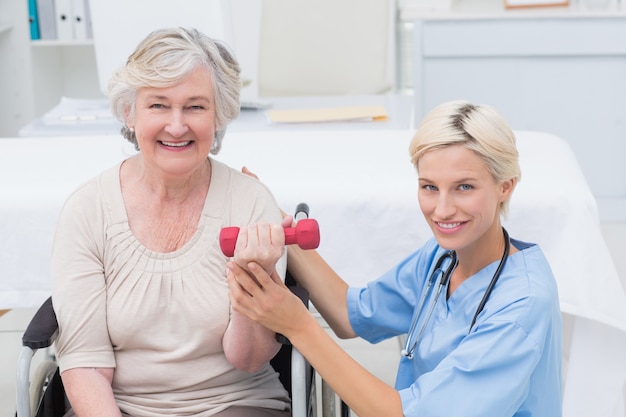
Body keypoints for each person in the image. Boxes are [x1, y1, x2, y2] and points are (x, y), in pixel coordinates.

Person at [227, 100, 563, 416]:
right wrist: (276, 219)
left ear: (505, 186)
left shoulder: (521, 305)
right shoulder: (444, 257)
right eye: (429, 187)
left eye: (464, 187)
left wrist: (297, 325)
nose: (442, 209)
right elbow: (349, 314)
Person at [51, 27, 291, 417]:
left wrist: (254, 275)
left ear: (220, 114)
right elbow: (86, 365)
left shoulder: (249, 202)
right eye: (158, 106)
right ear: (130, 112)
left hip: (234, 404)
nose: (176, 126)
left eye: (195, 107)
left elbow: (247, 359)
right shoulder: (88, 209)